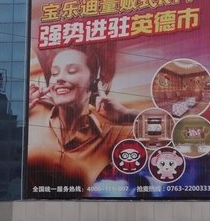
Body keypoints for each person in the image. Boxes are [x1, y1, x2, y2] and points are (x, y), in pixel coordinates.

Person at [28, 44, 136, 193]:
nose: (59, 78)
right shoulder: (33, 113)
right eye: (54, 73)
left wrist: (127, 114)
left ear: (94, 82)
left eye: (71, 71)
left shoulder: (111, 135)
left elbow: (174, 135)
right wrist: (17, 111)